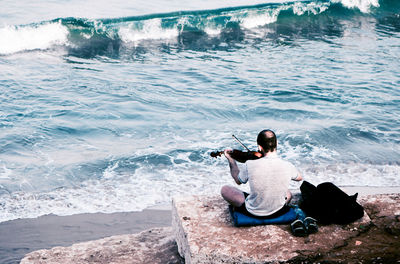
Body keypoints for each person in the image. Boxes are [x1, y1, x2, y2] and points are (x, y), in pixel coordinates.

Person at [221, 129, 317, 236]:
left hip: (253, 212)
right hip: (278, 211)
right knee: (288, 193)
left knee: (225, 189)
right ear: (277, 144)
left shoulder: (250, 164)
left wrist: (231, 160)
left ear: (259, 147)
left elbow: (238, 180)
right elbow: (299, 178)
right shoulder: (287, 165)